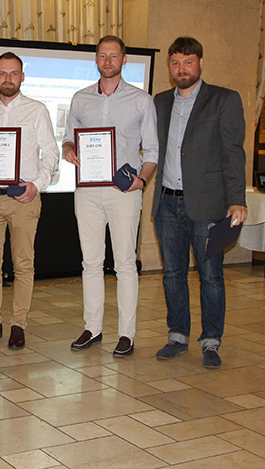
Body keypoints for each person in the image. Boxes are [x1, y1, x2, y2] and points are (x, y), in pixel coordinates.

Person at [152, 36, 247, 368]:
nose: (182, 69)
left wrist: (237, 199)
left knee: (211, 276)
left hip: (209, 206)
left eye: (188, 62)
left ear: (200, 64)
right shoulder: (160, 102)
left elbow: (233, 153)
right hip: (166, 203)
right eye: (176, 63)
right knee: (172, 275)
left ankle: (211, 341)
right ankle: (177, 336)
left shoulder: (224, 99)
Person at [63, 35, 157, 358]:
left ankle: (126, 334)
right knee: (90, 262)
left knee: (125, 263)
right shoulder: (80, 99)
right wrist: (69, 150)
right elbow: (68, 138)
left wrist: (141, 181)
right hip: (87, 191)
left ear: (124, 60)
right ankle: (92, 328)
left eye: (113, 56)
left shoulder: (141, 100)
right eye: (102, 56)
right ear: (96, 59)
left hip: (124, 191)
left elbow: (152, 151)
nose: (107, 61)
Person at [0, 52, 59, 350]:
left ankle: (19, 324)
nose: (8, 78)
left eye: (14, 73)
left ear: (22, 77)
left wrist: (37, 185)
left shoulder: (37, 110)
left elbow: (51, 154)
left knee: (23, 264)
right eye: (3, 73)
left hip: (23, 197)